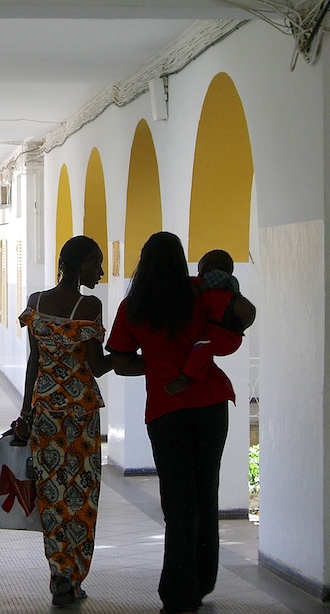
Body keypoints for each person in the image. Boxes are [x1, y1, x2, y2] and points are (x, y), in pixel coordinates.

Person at [106, 232, 256, 614]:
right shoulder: (199, 293)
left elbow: (121, 363)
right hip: (210, 403)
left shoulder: (133, 308)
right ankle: (203, 581)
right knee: (207, 492)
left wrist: (157, 367)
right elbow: (243, 312)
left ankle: (178, 591)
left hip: (166, 408)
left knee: (178, 500)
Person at [14, 235, 139, 607]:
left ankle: (58, 574)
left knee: (51, 495)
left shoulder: (35, 303)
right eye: (95, 263)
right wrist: (131, 358)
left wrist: (25, 412)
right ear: (78, 263)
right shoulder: (89, 305)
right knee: (81, 495)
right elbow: (96, 366)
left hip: (44, 415)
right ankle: (74, 574)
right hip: (80, 415)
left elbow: (34, 363)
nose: (100, 272)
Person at [165, 248, 254, 395]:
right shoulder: (222, 286)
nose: (200, 274)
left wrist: (198, 289)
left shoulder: (221, 278)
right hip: (222, 332)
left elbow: (211, 281)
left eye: (202, 270)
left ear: (211, 268)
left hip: (227, 335)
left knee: (201, 348)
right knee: (201, 348)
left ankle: (186, 378)